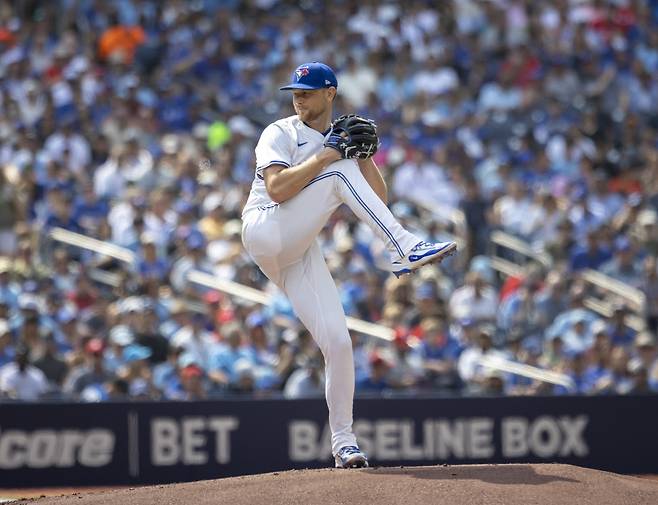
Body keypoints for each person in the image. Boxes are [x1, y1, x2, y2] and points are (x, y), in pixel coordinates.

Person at [241, 62, 457, 469]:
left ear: (330, 93)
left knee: (339, 345)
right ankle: (404, 248)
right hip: (264, 226)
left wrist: (366, 157)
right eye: (295, 91)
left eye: (307, 91)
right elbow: (278, 188)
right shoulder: (279, 131)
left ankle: (344, 443)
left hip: (297, 251)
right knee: (338, 170)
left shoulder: (337, 140)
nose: (298, 98)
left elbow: (377, 197)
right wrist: (331, 155)